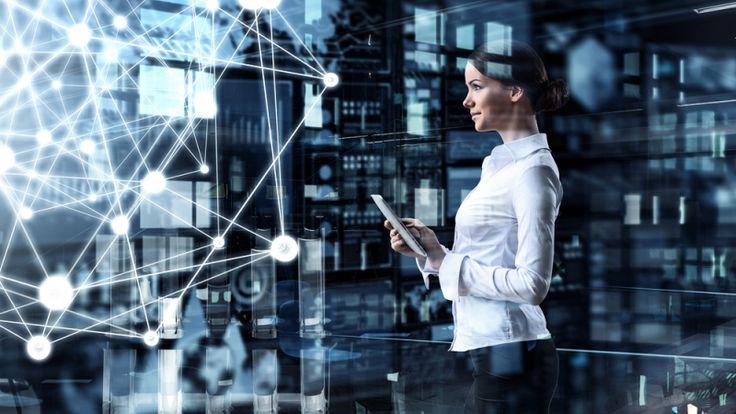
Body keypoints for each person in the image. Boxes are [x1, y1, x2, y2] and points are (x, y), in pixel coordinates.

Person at [385, 40, 569, 413]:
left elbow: (533, 284)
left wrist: (446, 265)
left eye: (477, 86)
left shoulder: (532, 172)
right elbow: (489, 257)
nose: (466, 101)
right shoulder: (499, 166)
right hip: (496, 351)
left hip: (513, 354)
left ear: (515, 91)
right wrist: (434, 252)